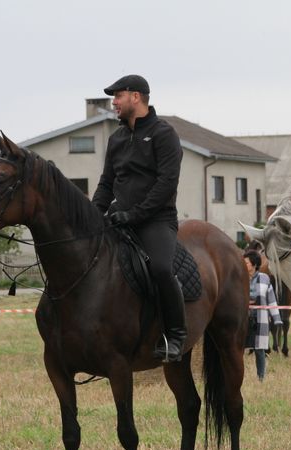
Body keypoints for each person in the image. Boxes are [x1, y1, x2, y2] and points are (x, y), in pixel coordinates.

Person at [92, 74, 186, 362]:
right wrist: (93, 215)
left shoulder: (163, 134)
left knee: (159, 268)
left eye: (117, 96)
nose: (114, 103)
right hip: (120, 218)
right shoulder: (117, 138)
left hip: (157, 221)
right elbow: (107, 183)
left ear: (136, 97)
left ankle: (175, 335)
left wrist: (134, 214)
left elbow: (166, 184)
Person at [244, 250, 282, 381]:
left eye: (246, 262)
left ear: (254, 264)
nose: (244, 264)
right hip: (243, 319)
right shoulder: (239, 278)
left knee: (259, 350)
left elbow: (271, 299)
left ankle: (261, 377)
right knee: (239, 348)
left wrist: (276, 318)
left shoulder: (265, 279)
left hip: (260, 319)